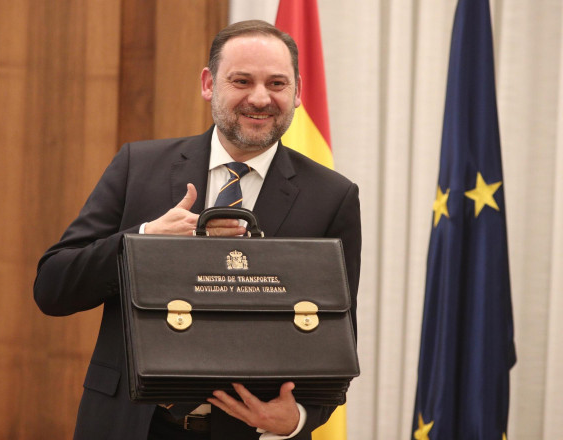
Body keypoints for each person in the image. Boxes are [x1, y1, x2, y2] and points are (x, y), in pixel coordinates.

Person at [34, 19, 361, 440]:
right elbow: (53, 288)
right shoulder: (138, 167)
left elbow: (338, 332)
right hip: (128, 426)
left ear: (298, 91)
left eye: (277, 83)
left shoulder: (331, 196)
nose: (260, 98)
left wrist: (299, 418)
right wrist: (145, 241)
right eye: (241, 80)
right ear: (209, 84)